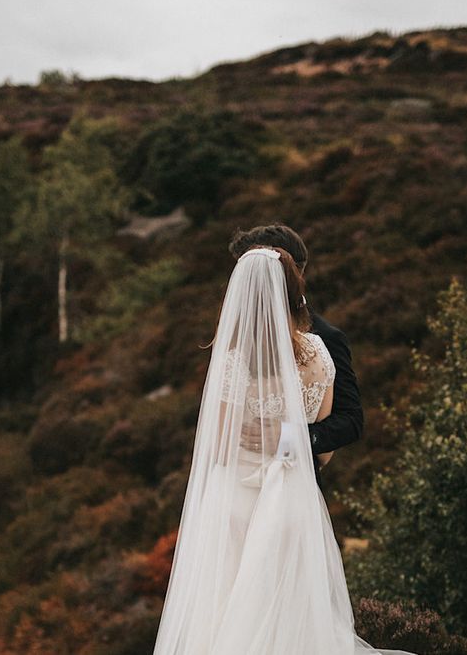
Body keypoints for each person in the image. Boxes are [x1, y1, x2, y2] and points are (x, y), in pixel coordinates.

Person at [153, 244, 414, 654]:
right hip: (292, 501)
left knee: (224, 617)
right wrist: (287, 443)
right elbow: (324, 451)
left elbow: (217, 449)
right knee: (292, 617)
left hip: (235, 503)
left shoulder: (232, 362)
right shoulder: (318, 354)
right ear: (295, 292)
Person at [228, 224, 364, 492]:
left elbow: (350, 420)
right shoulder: (240, 335)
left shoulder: (326, 337)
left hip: (295, 487)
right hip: (239, 483)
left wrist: (289, 439)